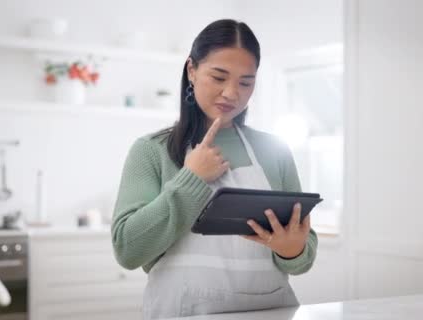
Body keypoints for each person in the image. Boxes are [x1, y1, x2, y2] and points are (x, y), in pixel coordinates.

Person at [111, 19, 318, 319]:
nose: (232, 93)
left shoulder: (275, 151)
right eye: (219, 77)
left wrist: (292, 249)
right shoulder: (151, 150)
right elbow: (128, 251)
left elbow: (303, 257)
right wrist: (191, 179)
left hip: (269, 310)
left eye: (246, 82)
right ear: (192, 70)